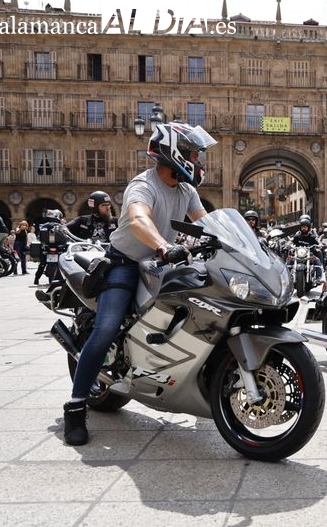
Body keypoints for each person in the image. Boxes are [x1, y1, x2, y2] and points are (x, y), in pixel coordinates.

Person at [62, 121, 217, 446]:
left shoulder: (186, 191)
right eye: (194, 154)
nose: (199, 160)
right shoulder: (143, 185)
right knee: (106, 329)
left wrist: (240, 243)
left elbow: (206, 223)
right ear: (174, 154)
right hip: (125, 263)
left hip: (161, 264)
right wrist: (163, 245)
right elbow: (138, 219)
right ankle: (75, 408)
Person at [289, 214, 322, 280]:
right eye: (302, 227)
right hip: (298, 255)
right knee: (288, 260)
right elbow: (292, 242)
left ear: (308, 228)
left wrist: (320, 244)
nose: (304, 229)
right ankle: (287, 276)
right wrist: (289, 245)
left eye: (305, 227)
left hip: (310, 255)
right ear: (300, 228)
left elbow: (318, 242)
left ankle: (318, 277)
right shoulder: (297, 236)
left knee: (317, 260)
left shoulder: (312, 237)